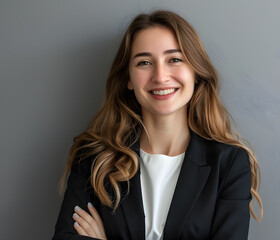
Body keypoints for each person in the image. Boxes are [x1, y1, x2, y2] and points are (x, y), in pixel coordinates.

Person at [53, 10, 262, 240]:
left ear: (195, 71)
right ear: (128, 79)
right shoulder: (94, 159)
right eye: (144, 62)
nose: (160, 76)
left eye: (174, 59)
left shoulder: (230, 164)